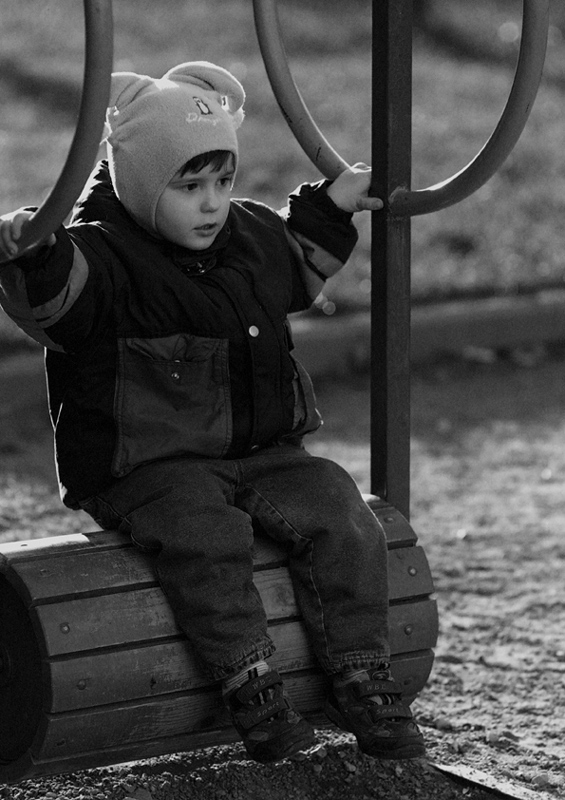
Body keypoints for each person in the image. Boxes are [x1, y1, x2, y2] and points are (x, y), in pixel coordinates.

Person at [0, 62, 425, 764]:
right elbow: (56, 301)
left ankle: (362, 673)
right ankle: (249, 682)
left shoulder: (246, 235)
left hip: (258, 449)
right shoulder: (100, 258)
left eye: (222, 182)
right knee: (206, 534)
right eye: (188, 187)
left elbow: (296, 256)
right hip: (148, 463)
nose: (210, 204)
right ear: (139, 185)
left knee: (342, 510)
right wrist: (33, 254)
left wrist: (334, 204)